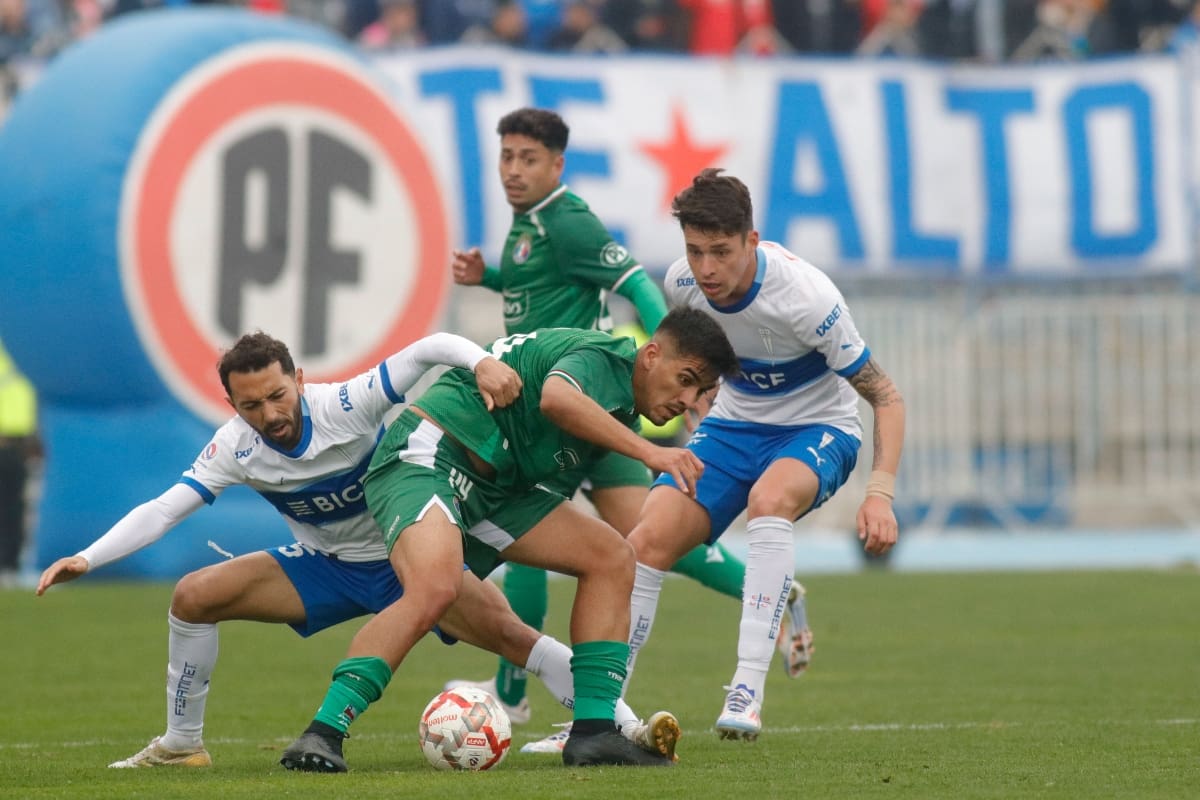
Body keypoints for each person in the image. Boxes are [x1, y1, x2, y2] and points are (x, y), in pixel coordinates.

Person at [35, 331, 677, 768]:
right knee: (193, 596)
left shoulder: (346, 403)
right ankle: (181, 743)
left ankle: (620, 726)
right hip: (329, 567)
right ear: (233, 405)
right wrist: (88, 558)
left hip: (411, 550)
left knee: (518, 641)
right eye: (252, 404)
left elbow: (427, 348)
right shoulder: (234, 446)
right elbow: (165, 506)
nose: (270, 412)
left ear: (300, 380)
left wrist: (479, 359)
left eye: (279, 394)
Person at [280, 307, 740, 770]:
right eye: (685, 379)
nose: (687, 398)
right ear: (652, 355)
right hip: (430, 453)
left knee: (612, 557)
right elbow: (557, 399)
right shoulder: (604, 359)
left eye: (700, 390)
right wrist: (652, 453)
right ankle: (323, 732)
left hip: (497, 488)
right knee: (435, 589)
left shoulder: (622, 409)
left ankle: (595, 731)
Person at [448, 106, 758, 733]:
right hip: (549, 405)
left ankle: (765, 594)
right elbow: (544, 287)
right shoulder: (529, 224)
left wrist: (669, 362)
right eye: (506, 156)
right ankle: (768, 593)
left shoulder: (569, 219)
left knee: (597, 540)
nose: (513, 169)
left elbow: (634, 283)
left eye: (528, 158)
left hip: (580, 402)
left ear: (557, 165)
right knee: (640, 538)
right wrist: (493, 278)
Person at [622, 169, 906, 741]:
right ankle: (602, 709)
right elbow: (689, 362)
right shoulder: (683, 284)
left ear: (752, 241)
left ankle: (747, 691)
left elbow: (886, 396)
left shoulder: (808, 299)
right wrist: (696, 400)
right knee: (645, 542)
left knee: (767, 500)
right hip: (734, 426)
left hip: (817, 428)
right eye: (695, 251)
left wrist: (880, 495)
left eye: (721, 252)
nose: (706, 269)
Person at [0, 338, 39, 584]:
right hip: (8, 440)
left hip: (18, 443)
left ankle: (10, 567)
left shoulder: (23, 347)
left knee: (14, 507)